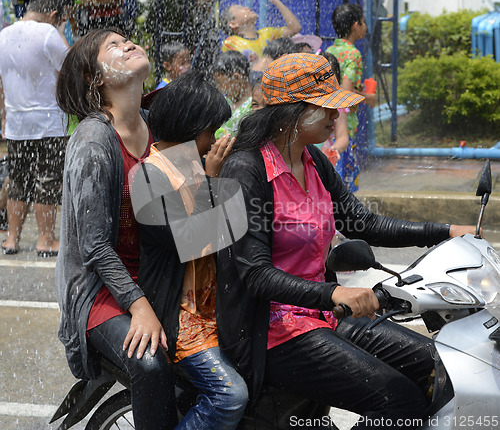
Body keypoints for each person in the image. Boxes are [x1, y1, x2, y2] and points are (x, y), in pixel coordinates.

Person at [216, 53, 477, 429]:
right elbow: (254, 274)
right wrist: (335, 294)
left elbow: (363, 223)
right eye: (327, 108)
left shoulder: (314, 161)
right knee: (398, 400)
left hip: (326, 317)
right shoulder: (247, 170)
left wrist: (445, 232)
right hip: (274, 331)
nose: (336, 117)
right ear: (294, 112)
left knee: (442, 366)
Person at [55, 28, 177, 429]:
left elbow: (191, 220)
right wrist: (139, 308)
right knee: (152, 364)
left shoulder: (159, 126)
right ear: (98, 79)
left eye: (127, 39)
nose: (128, 44)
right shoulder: (92, 139)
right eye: (113, 45)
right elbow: (93, 247)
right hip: (100, 290)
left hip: (156, 276)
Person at [130, 71, 247, 430]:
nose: (213, 140)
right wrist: (212, 180)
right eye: (210, 132)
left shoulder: (193, 166)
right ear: (190, 128)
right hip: (181, 318)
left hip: (217, 309)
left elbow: (235, 227)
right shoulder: (147, 177)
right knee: (231, 396)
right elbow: (190, 239)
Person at [0, 0, 70, 256]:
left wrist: (4, 114)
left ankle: (12, 240)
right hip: (48, 122)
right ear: (53, 15)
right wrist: (60, 30)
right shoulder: (47, 33)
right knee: (47, 181)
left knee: (18, 180)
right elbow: (70, 66)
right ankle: (45, 240)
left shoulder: (4, 34)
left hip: (16, 123)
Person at [325, 3, 377, 192]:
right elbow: (346, 93)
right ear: (356, 25)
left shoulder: (330, 50)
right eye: (363, 23)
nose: (365, 27)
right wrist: (369, 98)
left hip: (327, 118)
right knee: (345, 176)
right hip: (345, 124)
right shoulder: (353, 54)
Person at [220, 0, 301, 65]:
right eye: (240, 8)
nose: (247, 8)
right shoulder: (231, 43)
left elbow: (295, 28)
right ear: (233, 24)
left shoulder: (267, 34)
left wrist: (275, 0)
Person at [212, 50, 252, 138]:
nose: (219, 88)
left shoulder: (253, 105)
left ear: (237, 77)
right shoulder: (224, 102)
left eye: (220, 83)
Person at [321, 51, 349, 166]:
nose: (325, 82)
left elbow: (342, 137)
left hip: (325, 156)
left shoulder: (338, 104)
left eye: (330, 77)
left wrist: (333, 149)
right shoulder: (303, 102)